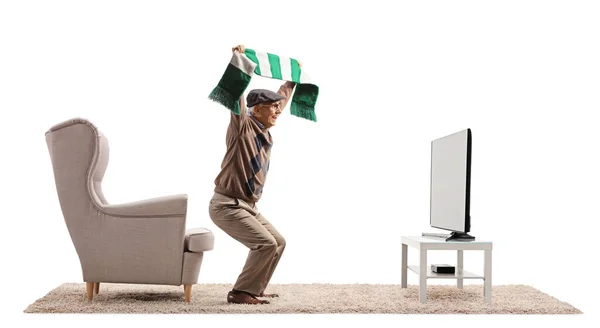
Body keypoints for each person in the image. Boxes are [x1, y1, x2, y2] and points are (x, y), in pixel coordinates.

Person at [208, 45, 299, 304]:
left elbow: (282, 96)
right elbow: (237, 98)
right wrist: (240, 62)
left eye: (277, 108)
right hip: (226, 205)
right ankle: (241, 293)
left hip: (248, 206)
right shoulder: (242, 126)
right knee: (266, 244)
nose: (277, 111)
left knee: (278, 242)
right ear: (256, 109)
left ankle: (255, 288)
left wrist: (292, 79)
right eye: (271, 107)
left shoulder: (265, 130)